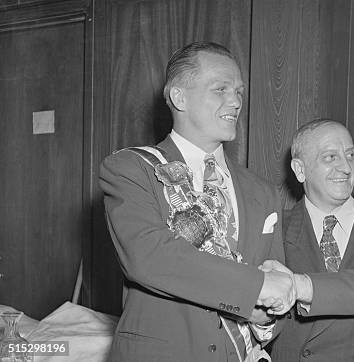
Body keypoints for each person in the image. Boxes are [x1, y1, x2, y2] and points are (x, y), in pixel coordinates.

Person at [100, 41, 295, 362]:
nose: (235, 102)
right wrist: (258, 288)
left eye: (239, 92)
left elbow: (276, 289)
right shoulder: (131, 169)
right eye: (220, 89)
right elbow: (149, 257)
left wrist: (269, 318)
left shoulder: (263, 191)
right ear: (179, 97)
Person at [267, 120, 354, 361]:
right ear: (300, 170)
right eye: (330, 157)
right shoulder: (275, 229)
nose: (346, 167)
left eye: (350, 155)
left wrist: (299, 286)